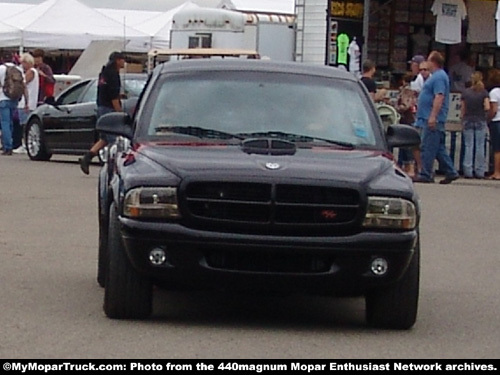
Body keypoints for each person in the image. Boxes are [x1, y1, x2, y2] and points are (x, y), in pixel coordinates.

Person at [413, 51, 459, 184]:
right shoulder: (438, 76)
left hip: (432, 118)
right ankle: (451, 171)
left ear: (433, 62)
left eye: (428, 60)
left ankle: (426, 174)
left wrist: (433, 116)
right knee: (438, 148)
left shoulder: (439, 77)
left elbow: (439, 96)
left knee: (427, 146)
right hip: (430, 116)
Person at [79, 51, 126, 175]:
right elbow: (113, 97)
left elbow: (106, 91)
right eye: (122, 59)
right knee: (114, 140)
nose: (124, 62)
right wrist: (120, 114)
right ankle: (114, 166)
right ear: (117, 60)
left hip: (101, 107)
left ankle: (87, 157)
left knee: (104, 138)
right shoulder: (114, 75)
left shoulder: (104, 73)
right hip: (109, 109)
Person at [461, 71, 489, 179]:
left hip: (468, 119)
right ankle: (480, 171)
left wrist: (462, 120)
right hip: (480, 119)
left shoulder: (466, 92)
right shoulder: (484, 92)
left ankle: (468, 171)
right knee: (480, 146)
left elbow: (463, 109)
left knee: (469, 146)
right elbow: (487, 107)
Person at [0, 52, 27, 156]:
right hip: (14, 98)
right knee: (10, 122)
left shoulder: (1, 68)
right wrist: (26, 100)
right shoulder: (18, 69)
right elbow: (23, 85)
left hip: (3, 98)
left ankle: (7, 146)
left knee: (4, 123)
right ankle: (10, 143)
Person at [14, 53, 39, 154]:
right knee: (25, 124)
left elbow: (23, 84)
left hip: (25, 102)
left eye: (23, 63)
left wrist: (26, 102)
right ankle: (25, 144)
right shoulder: (35, 72)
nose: (22, 65)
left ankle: (24, 145)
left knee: (24, 124)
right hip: (30, 102)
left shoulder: (30, 72)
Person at [487, 69, 500, 180]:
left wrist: (489, 118)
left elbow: (494, 109)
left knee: (497, 149)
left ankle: (497, 172)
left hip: (497, 121)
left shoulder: (494, 92)